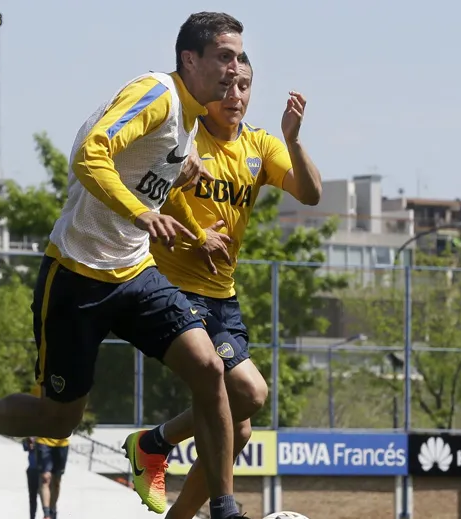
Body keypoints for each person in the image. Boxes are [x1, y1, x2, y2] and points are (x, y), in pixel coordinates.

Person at [0, 11, 248, 519]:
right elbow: (89, 153)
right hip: (76, 277)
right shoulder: (158, 95)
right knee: (57, 422)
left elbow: (157, 179)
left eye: (239, 59)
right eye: (225, 57)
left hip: (135, 274)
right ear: (190, 59)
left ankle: (225, 509)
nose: (235, 70)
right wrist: (143, 212)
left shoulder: (189, 121)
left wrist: (189, 224)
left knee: (211, 368)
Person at [123, 52, 323, 519]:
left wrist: (293, 141)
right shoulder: (183, 136)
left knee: (242, 429)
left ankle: (157, 453)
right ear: (209, 85)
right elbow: (142, 174)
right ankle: (200, 487)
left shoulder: (259, 146)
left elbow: (311, 193)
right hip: (170, 289)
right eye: (228, 85)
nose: (235, 96)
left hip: (222, 297)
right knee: (250, 394)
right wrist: (195, 231)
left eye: (245, 86)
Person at [30, 385, 68, 519]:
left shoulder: (69, 387)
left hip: (61, 442)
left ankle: (53, 510)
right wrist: (30, 434)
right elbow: (32, 413)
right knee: (45, 478)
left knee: (57, 481)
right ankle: (46, 514)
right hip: (43, 441)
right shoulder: (38, 388)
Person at [23, 437, 39, 519]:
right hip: (32, 470)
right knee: (32, 497)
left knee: (47, 497)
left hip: (44, 470)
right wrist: (30, 442)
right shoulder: (29, 437)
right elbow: (25, 447)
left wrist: (36, 444)